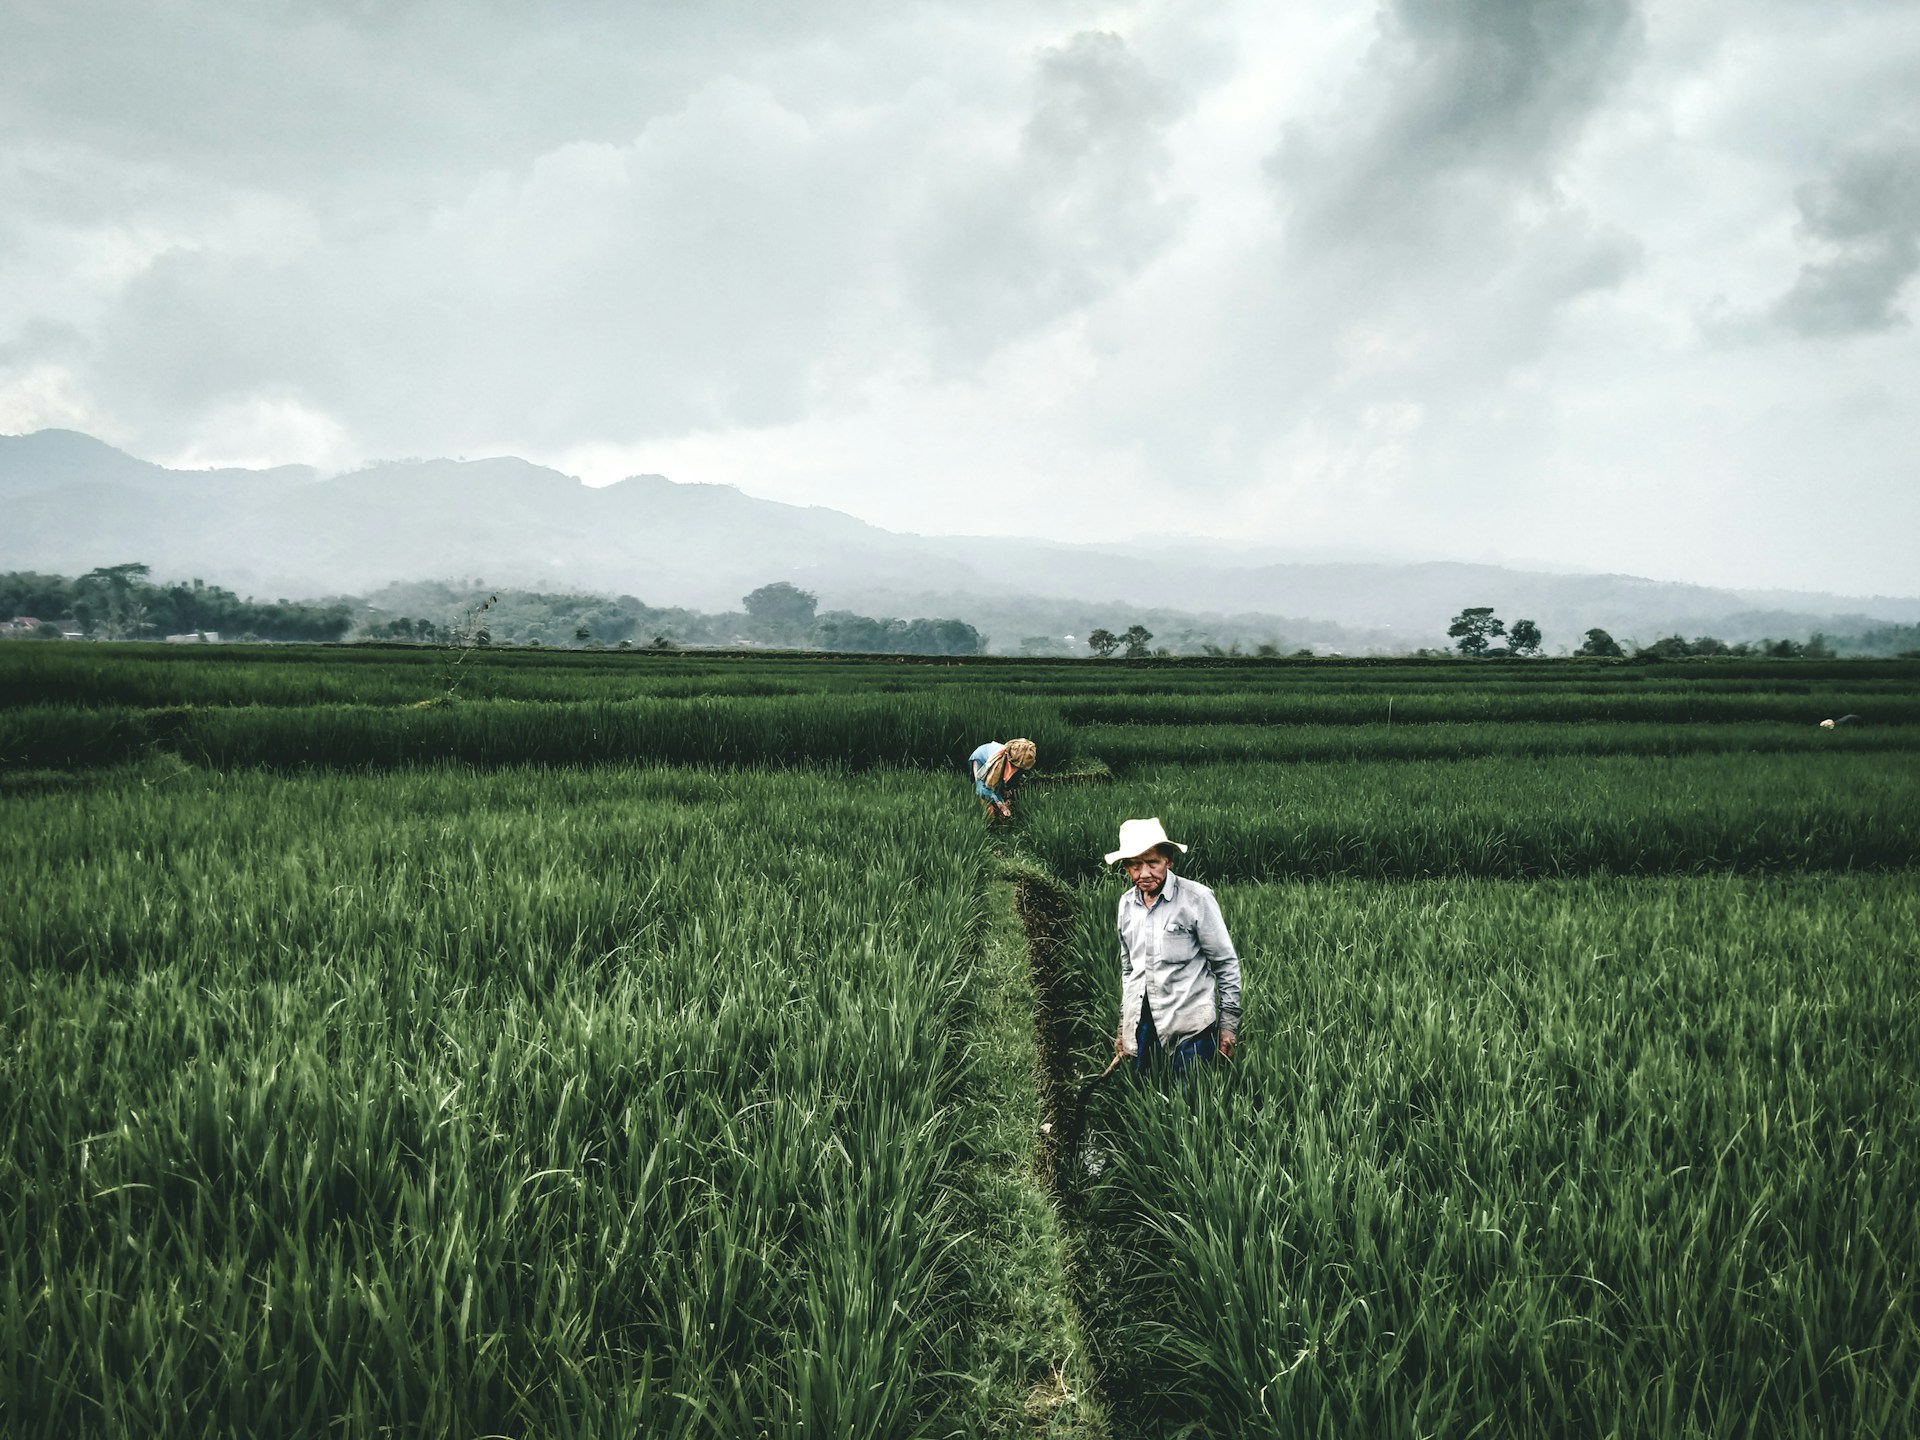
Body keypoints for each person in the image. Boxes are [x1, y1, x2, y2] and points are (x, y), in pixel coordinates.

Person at [1106, 817, 1241, 1074]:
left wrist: (1228, 1026)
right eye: (1134, 865)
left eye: (1152, 863)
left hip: (1192, 1025)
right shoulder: (1126, 906)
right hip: (1144, 1024)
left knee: (1190, 1103)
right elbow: (1129, 971)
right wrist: (1124, 1027)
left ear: (1169, 860)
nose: (1144, 873)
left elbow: (1225, 964)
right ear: (1125, 868)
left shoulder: (1196, 899)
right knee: (1145, 1093)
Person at [969, 738, 1037, 820]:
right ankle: (989, 823)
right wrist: (1001, 806)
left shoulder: (1022, 762)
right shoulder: (994, 761)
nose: (1014, 770)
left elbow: (1012, 781)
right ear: (1008, 759)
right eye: (1013, 766)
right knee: (985, 796)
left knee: (1002, 792)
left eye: (1018, 768)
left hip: (1006, 766)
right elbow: (981, 789)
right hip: (982, 760)